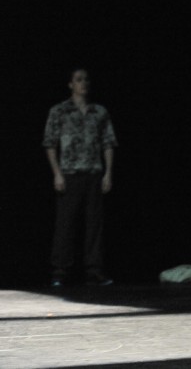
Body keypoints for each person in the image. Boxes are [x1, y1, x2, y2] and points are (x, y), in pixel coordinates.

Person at [43, 68, 117, 287]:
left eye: (86, 79)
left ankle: (94, 270)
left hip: (94, 173)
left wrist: (108, 173)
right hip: (70, 173)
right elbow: (50, 143)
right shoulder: (59, 111)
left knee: (95, 225)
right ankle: (60, 271)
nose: (83, 83)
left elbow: (108, 143)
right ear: (70, 84)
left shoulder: (99, 112)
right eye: (78, 79)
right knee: (65, 225)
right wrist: (56, 173)